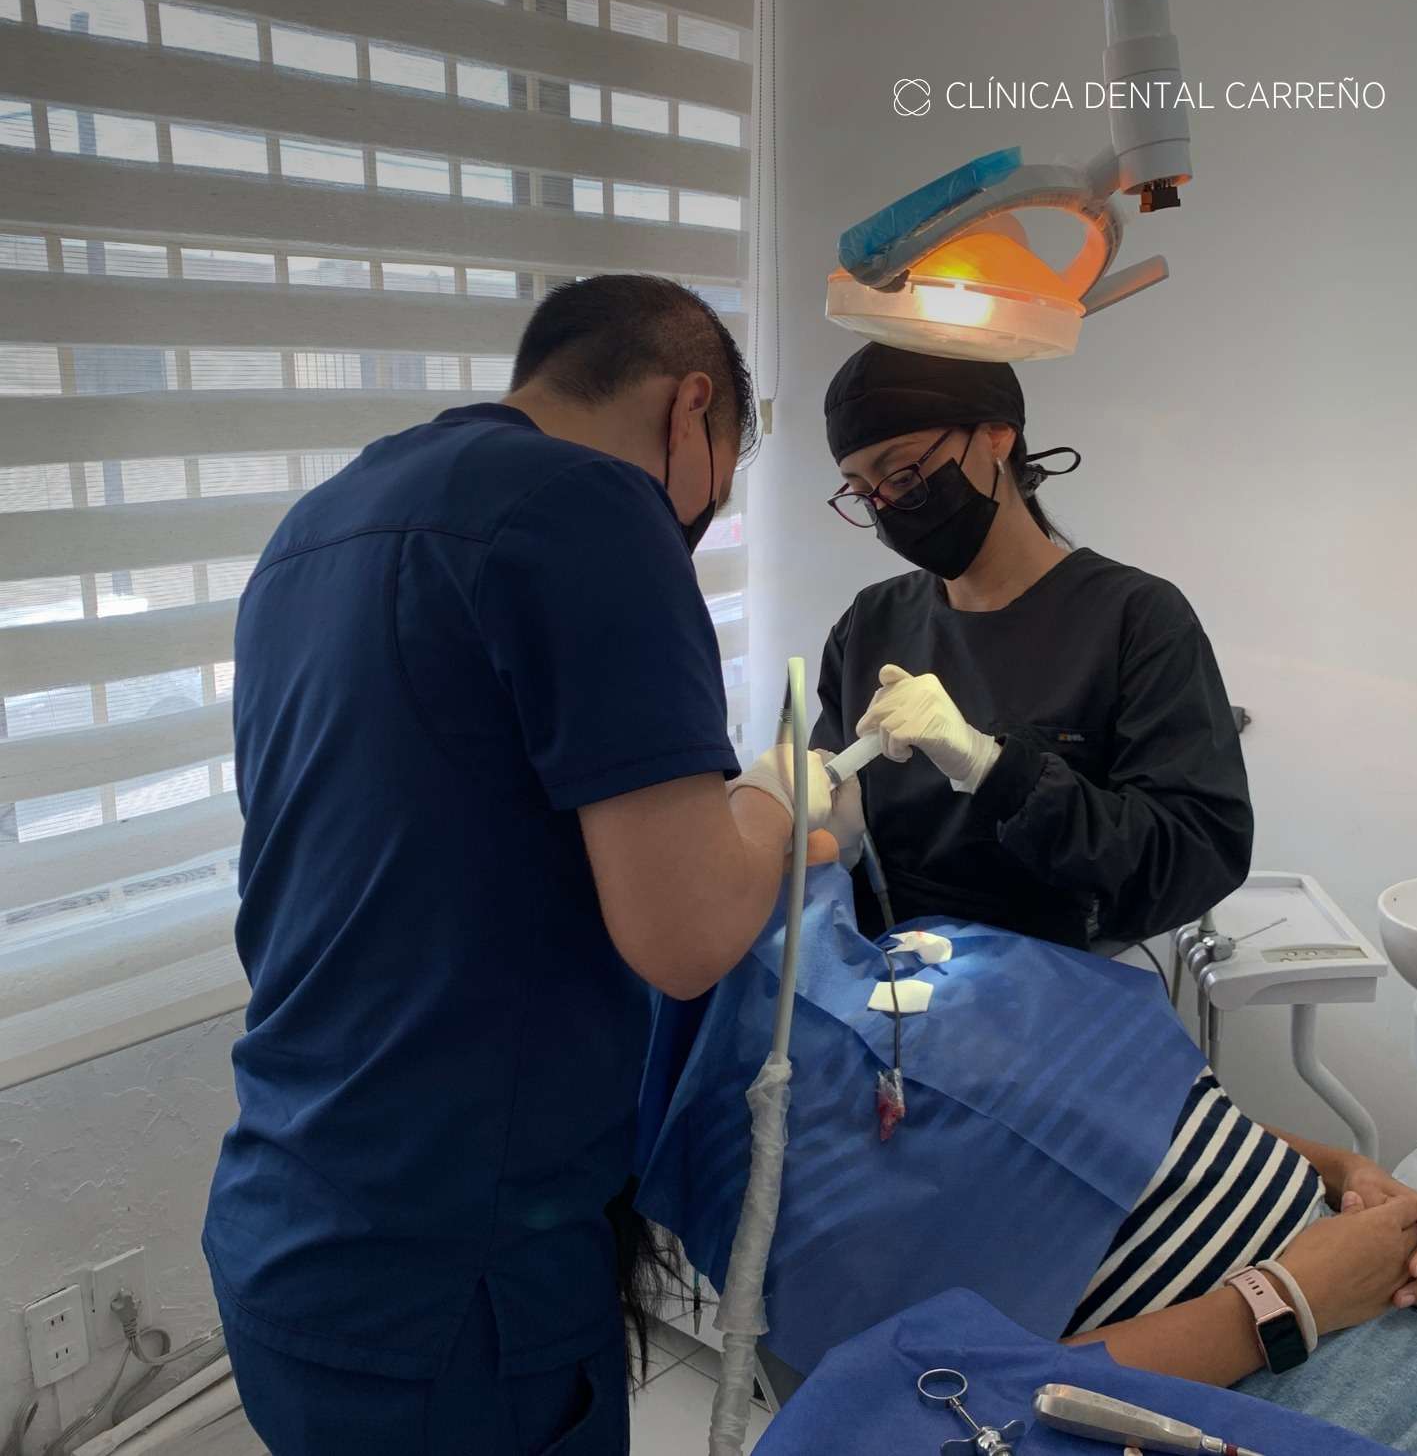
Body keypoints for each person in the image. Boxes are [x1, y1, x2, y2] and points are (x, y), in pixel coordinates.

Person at [202, 275, 856, 1456]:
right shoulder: (593, 507)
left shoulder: (322, 524)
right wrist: (781, 798)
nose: (695, 525)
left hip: (289, 1223)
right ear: (690, 409)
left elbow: (448, 824)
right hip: (456, 1283)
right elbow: (687, 935)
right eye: (716, 485)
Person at [812, 342, 1253, 952]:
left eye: (904, 475)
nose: (888, 507)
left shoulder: (1136, 619)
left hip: (1058, 983)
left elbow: (1195, 857)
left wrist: (997, 772)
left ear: (997, 436)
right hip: (892, 978)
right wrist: (823, 839)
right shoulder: (870, 623)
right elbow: (837, 802)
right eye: (864, 493)